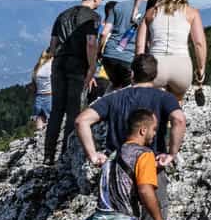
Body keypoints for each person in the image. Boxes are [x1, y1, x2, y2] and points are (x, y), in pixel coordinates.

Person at [74, 52, 188, 186]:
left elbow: (81, 121)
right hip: (152, 166)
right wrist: (171, 154)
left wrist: (93, 155)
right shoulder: (165, 98)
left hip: (119, 168)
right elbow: (179, 120)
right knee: (154, 206)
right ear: (155, 75)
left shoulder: (113, 98)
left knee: (118, 206)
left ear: (132, 74)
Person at [43, 0, 105, 169]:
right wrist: (92, 67)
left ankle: (48, 155)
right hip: (78, 65)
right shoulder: (93, 17)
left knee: (56, 111)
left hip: (59, 64)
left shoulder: (62, 15)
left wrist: (57, 56)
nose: (101, 1)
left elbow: (52, 44)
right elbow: (91, 43)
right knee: (74, 110)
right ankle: (65, 154)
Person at [137, 0, 207, 105]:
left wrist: (138, 71)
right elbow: (199, 44)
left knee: (154, 104)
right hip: (181, 65)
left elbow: (140, 46)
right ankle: (174, 122)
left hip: (155, 65)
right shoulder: (192, 13)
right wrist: (201, 70)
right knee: (176, 104)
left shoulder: (151, 13)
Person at [96, 0, 136, 95]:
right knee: (128, 89)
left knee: (115, 84)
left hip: (108, 57)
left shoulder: (116, 11)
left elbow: (103, 33)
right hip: (128, 58)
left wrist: (99, 52)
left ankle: (104, 104)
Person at [31, 49, 55, 136]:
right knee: (52, 124)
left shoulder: (36, 69)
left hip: (38, 98)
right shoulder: (51, 65)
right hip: (49, 97)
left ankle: (38, 140)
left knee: (39, 124)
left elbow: (34, 88)